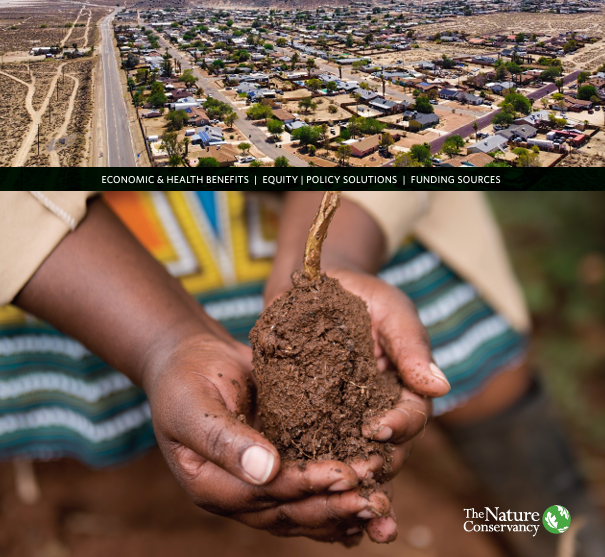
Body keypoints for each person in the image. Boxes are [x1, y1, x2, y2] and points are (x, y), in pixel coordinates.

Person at [0, 191, 602, 555]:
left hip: (350, 219)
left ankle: (560, 518)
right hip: (90, 250)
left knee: (456, 365)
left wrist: (331, 258)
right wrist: (164, 343)